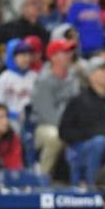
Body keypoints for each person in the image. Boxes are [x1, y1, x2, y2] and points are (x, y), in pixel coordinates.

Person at [59, 56, 105, 188]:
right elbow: (64, 131)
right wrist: (91, 134)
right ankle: (93, 186)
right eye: (102, 70)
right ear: (91, 76)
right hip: (83, 147)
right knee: (99, 142)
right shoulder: (78, 101)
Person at [30, 38, 79, 175]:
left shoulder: (73, 77)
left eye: (70, 51)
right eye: (65, 52)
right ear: (53, 57)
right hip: (43, 127)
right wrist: (69, 129)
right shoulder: (44, 81)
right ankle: (42, 178)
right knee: (55, 137)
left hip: (69, 125)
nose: (70, 55)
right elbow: (48, 114)